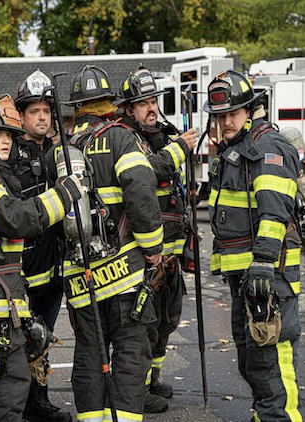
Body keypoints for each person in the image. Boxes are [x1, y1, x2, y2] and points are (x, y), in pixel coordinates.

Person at [0, 94, 86, 421]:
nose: (6, 141)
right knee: (10, 388)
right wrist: (65, 192)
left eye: (9, 135)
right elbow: (16, 218)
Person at [49, 65, 164, 422]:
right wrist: (154, 250)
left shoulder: (61, 150)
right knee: (130, 354)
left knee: (89, 354)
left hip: (81, 279)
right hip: (126, 275)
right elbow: (142, 195)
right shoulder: (120, 138)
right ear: (107, 104)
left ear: (77, 108)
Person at [204, 70, 303, 422]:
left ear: (249, 110)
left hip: (268, 276)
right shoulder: (235, 149)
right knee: (251, 360)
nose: (226, 122)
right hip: (244, 278)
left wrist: (262, 262)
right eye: (220, 116)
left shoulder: (266, 148)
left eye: (233, 114)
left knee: (269, 363)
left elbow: (275, 213)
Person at [116, 65, 197, 413]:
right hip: (145, 253)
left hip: (173, 249)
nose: (151, 107)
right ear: (129, 109)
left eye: (154, 100)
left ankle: (154, 377)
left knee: (167, 318)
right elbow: (149, 172)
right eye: (143, 102)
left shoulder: (166, 134)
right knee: (144, 322)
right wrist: (179, 150)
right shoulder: (127, 140)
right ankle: (140, 387)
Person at [9, 70, 72, 422]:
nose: (43, 117)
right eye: (34, 111)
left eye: (47, 110)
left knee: (44, 337)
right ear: (21, 117)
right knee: (24, 337)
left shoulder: (61, 150)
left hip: (55, 265)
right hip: (25, 268)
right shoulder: (13, 157)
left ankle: (39, 401)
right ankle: (19, 403)